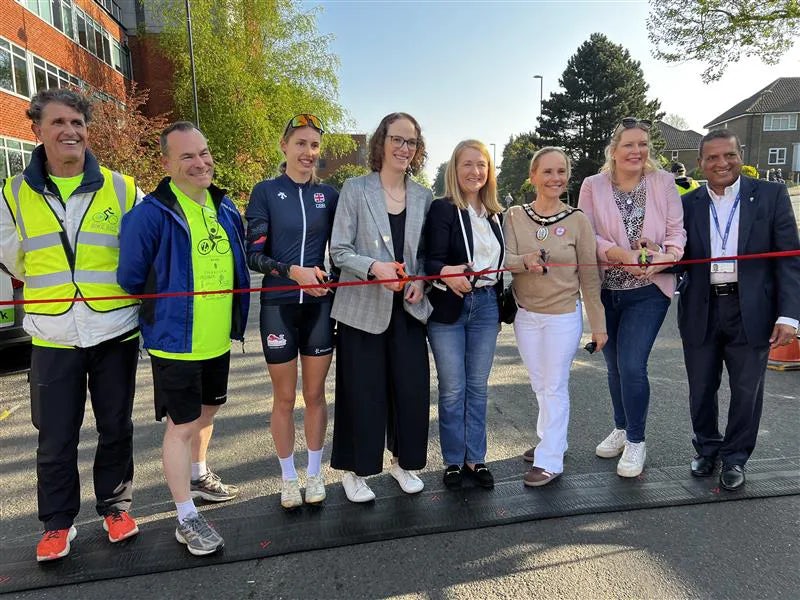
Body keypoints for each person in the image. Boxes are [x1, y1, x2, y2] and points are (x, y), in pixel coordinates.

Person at [0, 89, 140, 561]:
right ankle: (57, 524)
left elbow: (139, 248)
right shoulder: (12, 193)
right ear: (37, 129)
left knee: (115, 426)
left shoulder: (121, 187)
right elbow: (12, 257)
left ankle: (116, 508)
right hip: (53, 333)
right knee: (55, 435)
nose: (70, 131)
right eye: (59, 122)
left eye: (78, 122)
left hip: (114, 327)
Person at [118, 121, 250, 556]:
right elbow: (131, 278)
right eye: (188, 156)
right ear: (167, 163)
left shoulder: (224, 207)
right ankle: (186, 517)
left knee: (208, 412)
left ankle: (198, 473)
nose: (201, 162)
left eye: (204, 152)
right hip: (176, 340)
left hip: (217, 339)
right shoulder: (150, 214)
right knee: (182, 425)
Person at [676, 129, 800, 490]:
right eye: (712, 157)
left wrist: (789, 315)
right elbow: (676, 254)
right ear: (701, 163)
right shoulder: (688, 203)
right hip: (701, 307)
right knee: (701, 388)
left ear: (740, 154)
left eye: (728, 155)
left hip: (753, 309)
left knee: (747, 391)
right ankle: (707, 448)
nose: (721, 163)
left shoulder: (771, 196)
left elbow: (789, 259)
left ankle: (735, 458)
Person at [329, 112, 433, 502]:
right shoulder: (355, 189)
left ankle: (403, 463)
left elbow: (426, 256)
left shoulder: (424, 197)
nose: (404, 148)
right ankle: (356, 470)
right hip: (361, 310)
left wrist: (420, 281)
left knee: (410, 389)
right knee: (363, 391)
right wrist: (374, 267)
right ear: (381, 142)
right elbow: (339, 251)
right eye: (397, 139)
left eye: (411, 141)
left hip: (407, 311)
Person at [578, 117, 685, 478]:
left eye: (643, 144)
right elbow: (587, 235)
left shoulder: (663, 182)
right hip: (605, 291)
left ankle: (637, 440)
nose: (637, 151)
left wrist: (658, 259)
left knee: (632, 365)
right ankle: (621, 428)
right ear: (614, 149)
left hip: (648, 292)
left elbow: (676, 236)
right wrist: (620, 255)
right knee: (613, 366)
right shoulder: (592, 185)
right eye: (629, 145)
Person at [244, 114, 338, 508]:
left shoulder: (329, 196)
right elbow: (254, 256)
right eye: (300, 143)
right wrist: (290, 271)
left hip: (318, 307)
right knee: (285, 398)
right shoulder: (265, 192)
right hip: (278, 306)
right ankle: (287, 478)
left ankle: (315, 475)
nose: (308, 152)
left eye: (314, 145)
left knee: (315, 395)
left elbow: (344, 247)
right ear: (284, 146)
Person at [505, 147, 606, 486]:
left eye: (561, 171)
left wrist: (598, 326)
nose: (555, 178)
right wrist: (524, 261)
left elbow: (590, 277)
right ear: (533, 176)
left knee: (555, 385)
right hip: (526, 315)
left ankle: (550, 460)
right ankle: (553, 440)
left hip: (563, 316)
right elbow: (504, 258)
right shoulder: (514, 216)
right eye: (547, 172)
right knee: (539, 383)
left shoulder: (578, 220)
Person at [424, 140, 504, 489]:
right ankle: (454, 460)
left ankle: (477, 459)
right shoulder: (443, 209)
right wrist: (446, 273)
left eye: (482, 165)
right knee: (453, 389)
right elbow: (429, 261)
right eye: (467, 165)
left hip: (486, 305)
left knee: (478, 387)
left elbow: (501, 264)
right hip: (450, 307)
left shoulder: (496, 214)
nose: (475, 172)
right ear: (454, 171)